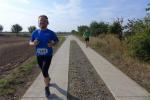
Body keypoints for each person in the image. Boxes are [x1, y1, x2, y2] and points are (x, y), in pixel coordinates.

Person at [29, 15, 59, 97]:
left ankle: (46, 87)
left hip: (48, 55)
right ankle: (48, 79)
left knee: (45, 70)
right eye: (40, 21)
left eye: (43, 21)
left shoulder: (51, 33)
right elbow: (30, 42)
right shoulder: (35, 32)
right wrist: (33, 43)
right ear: (38, 23)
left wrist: (53, 44)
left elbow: (57, 41)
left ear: (47, 22)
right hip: (39, 55)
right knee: (43, 70)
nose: (41, 22)